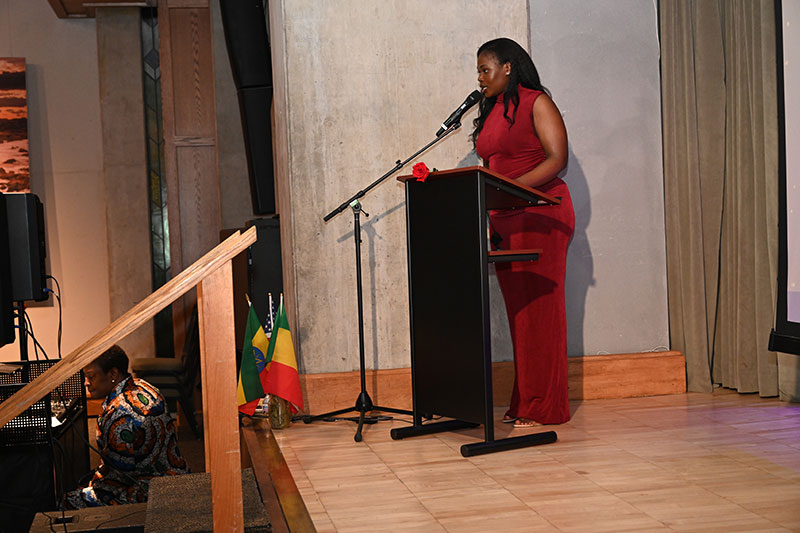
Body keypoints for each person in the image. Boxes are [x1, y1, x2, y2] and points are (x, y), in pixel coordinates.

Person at [473, 38, 574, 427]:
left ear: (508, 67)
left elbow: (557, 158)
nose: (480, 78)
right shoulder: (492, 111)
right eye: (479, 72)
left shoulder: (537, 102)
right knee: (520, 316)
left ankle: (544, 405)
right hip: (505, 218)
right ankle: (526, 398)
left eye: (485, 70)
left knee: (539, 315)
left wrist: (510, 190)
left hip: (540, 213)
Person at [63, 345, 189, 508]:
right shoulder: (144, 385)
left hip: (150, 490)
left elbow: (119, 476)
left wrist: (88, 486)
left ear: (113, 374)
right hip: (177, 474)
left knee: (68, 501)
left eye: (91, 376)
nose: (86, 383)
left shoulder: (118, 415)